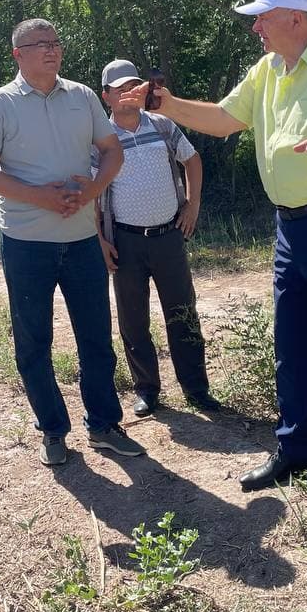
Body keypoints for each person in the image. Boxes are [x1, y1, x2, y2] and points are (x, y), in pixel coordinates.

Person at [119, 0, 307, 507]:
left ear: (295, 18)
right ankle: (295, 450)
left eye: (262, 18)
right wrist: (167, 104)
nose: (255, 27)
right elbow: (224, 120)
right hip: (293, 224)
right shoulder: (269, 69)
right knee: (292, 340)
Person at [0, 19, 146, 466]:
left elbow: (112, 150)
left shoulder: (83, 96)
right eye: (40, 45)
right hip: (27, 242)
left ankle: (104, 425)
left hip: (83, 239)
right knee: (33, 341)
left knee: (96, 338)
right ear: (18, 54)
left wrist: (90, 190)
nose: (51, 50)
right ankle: (52, 430)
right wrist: (41, 198)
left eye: (55, 43)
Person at [95, 58, 220, 417]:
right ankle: (147, 390)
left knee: (182, 313)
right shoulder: (101, 139)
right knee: (133, 320)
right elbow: (92, 192)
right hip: (125, 242)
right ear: (106, 96)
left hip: (168, 236)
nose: (128, 93)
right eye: (119, 89)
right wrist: (99, 239)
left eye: (133, 85)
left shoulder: (163, 126)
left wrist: (192, 206)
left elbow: (192, 161)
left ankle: (197, 389)